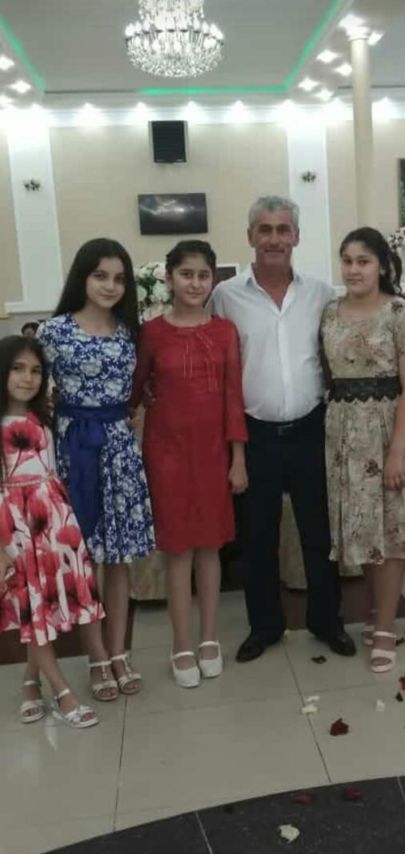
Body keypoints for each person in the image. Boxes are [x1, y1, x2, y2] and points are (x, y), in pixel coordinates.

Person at [211, 195, 355, 662]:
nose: (274, 239)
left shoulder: (320, 294)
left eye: (282, 229)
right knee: (257, 538)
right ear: (250, 236)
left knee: (319, 533)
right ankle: (265, 626)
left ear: (296, 236)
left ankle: (327, 621)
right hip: (254, 434)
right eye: (265, 229)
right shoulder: (225, 296)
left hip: (311, 428)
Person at [37, 238, 155, 700]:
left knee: (118, 558)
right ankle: (96, 656)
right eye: (100, 275)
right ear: (82, 277)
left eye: (119, 278)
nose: (110, 285)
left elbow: (142, 389)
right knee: (82, 557)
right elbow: (30, 388)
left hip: (120, 449)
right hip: (74, 451)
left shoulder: (130, 332)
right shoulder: (54, 331)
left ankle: (119, 650)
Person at [321, 227, 405, 672]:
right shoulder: (330, 313)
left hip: (391, 430)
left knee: (390, 532)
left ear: (382, 266)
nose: (353, 269)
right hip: (344, 433)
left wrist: (396, 452)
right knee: (365, 529)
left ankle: (386, 625)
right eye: (347, 260)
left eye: (363, 261)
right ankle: (375, 611)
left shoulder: (401, 313)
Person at [131, 240, 248, 688]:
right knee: (178, 551)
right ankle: (181, 643)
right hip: (166, 454)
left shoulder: (224, 332)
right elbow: (135, 390)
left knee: (210, 548)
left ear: (213, 280)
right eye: (186, 274)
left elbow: (233, 398)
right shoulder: (151, 332)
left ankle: (209, 637)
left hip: (214, 453)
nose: (195, 283)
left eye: (203, 275)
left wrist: (238, 458)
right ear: (169, 279)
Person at [0, 335, 102, 727]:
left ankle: (31, 681)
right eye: (17, 369)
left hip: (54, 521)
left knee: (43, 608)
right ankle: (63, 692)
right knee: (32, 610)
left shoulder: (42, 418)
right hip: (16, 529)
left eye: (36, 371)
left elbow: (52, 470)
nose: (27, 378)